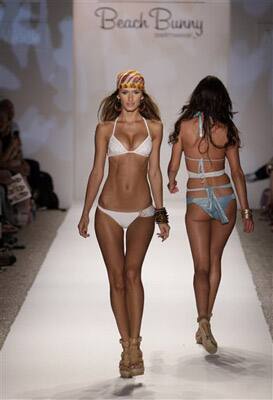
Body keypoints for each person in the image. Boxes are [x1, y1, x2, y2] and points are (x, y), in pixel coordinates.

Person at [78, 70, 170, 377]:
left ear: (142, 97)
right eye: (125, 92)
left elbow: (155, 173)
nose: (130, 97)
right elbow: (96, 172)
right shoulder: (105, 128)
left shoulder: (154, 126)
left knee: (133, 275)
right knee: (116, 279)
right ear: (118, 95)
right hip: (108, 211)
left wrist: (161, 214)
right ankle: (126, 347)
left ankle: (136, 344)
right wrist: (86, 211)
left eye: (136, 92)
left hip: (143, 210)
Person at [167, 76, 254, 354]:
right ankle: (206, 323)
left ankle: (202, 320)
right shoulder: (227, 130)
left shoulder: (184, 127)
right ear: (221, 100)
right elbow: (237, 173)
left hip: (198, 200)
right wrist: (246, 210)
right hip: (226, 196)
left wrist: (171, 182)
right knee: (215, 261)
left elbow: (173, 166)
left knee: (200, 267)